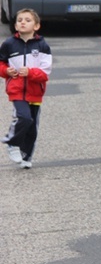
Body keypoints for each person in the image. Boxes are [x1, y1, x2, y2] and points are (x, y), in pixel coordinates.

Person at [0, 9, 52, 169]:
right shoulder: (9, 44)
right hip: (16, 91)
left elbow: (45, 72)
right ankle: (12, 142)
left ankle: (27, 156)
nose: (23, 22)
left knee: (32, 127)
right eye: (20, 20)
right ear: (15, 25)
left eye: (27, 20)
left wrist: (30, 73)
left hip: (35, 92)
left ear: (36, 26)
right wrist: (6, 71)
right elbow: (1, 64)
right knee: (24, 118)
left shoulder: (42, 46)